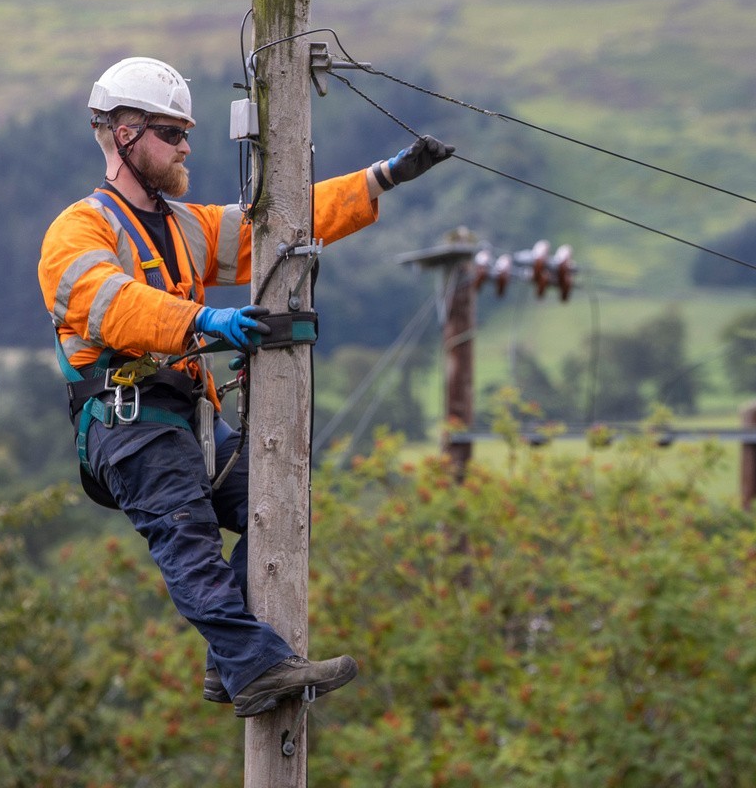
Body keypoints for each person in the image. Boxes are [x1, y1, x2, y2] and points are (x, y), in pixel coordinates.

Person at [38, 56, 452, 717]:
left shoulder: (184, 226)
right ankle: (257, 668)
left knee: (282, 499)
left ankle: (230, 661)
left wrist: (381, 180)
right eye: (170, 134)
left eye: (185, 134)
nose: (185, 147)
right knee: (191, 542)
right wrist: (206, 319)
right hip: (131, 424)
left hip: (190, 421)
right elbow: (112, 304)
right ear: (124, 134)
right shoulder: (78, 232)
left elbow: (277, 227)